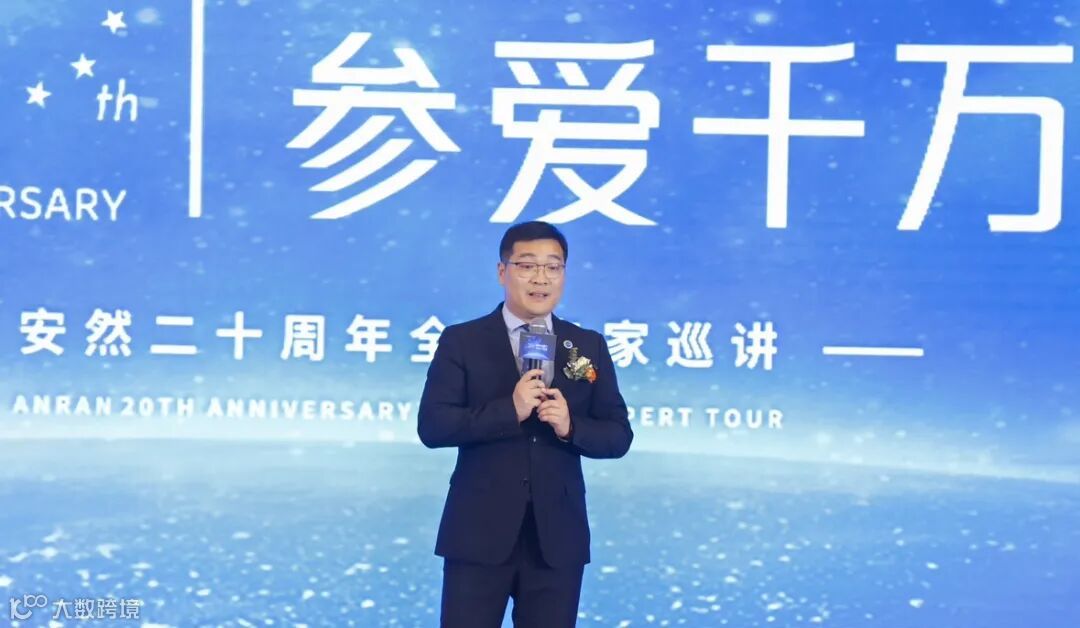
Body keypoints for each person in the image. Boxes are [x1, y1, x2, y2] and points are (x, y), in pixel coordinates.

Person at [418, 220, 633, 627]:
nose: (541, 278)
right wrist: (509, 411)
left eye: (553, 266)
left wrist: (571, 427)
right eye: (528, 265)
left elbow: (618, 435)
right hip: (478, 533)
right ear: (503, 272)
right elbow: (433, 426)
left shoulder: (586, 345)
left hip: (557, 540)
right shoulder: (462, 340)